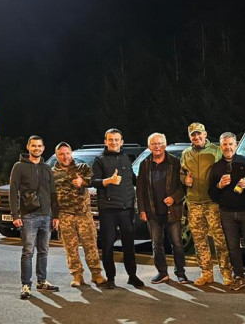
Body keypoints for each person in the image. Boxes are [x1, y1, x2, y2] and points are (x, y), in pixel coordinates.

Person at [180, 122, 233, 286]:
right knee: (199, 241)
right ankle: (206, 273)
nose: (196, 137)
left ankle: (226, 274)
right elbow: (181, 173)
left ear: (205, 134)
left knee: (220, 240)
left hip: (213, 203)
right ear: (190, 137)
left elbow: (227, 169)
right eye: (193, 135)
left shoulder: (216, 151)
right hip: (194, 203)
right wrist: (184, 179)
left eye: (198, 134)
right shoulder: (186, 153)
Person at [91, 128, 144, 289]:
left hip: (126, 209)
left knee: (129, 245)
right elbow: (94, 181)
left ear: (121, 142)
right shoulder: (99, 160)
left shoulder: (126, 158)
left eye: (116, 140)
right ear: (105, 141)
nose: (113, 142)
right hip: (108, 210)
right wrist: (109, 181)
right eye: (110, 139)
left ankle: (132, 276)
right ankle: (111, 278)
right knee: (107, 245)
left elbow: (133, 181)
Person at [9, 135, 60, 299]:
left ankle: (42, 281)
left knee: (44, 251)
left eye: (39, 146)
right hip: (28, 216)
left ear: (43, 148)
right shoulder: (19, 167)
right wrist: (15, 214)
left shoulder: (47, 168)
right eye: (33, 146)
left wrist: (56, 215)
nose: (36, 148)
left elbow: (53, 193)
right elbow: (13, 191)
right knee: (28, 251)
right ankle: (25, 285)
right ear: (28, 147)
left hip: (46, 216)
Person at [208, 132, 245, 290]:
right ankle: (239, 276)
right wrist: (219, 186)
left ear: (236, 145)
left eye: (231, 144)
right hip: (227, 212)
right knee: (233, 246)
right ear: (220, 146)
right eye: (225, 144)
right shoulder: (216, 167)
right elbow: (211, 194)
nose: (228, 147)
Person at [51, 142, 107, 288]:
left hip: (83, 214)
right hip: (65, 215)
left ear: (71, 153)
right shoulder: (52, 173)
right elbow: (50, 196)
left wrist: (83, 182)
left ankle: (96, 274)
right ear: (57, 155)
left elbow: (93, 181)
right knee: (70, 247)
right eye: (61, 154)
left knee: (91, 245)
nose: (65, 157)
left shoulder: (82, 168)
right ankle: (77, 275)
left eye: (67, 153)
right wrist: (54, 216)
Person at [136, 132, 189, 284]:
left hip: (172, 211)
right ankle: (162, 273)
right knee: (156, 245)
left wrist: (174, 198)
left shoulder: (175, 162)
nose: (157, 146)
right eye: (154, 144)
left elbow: (183, 186)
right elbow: (140, 189)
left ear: (165, 145)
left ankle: (180, 273)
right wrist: (142, 210)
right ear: (149, 146)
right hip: (153, 213)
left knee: (177, 244)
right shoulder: (145, 164)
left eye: (160, 143)